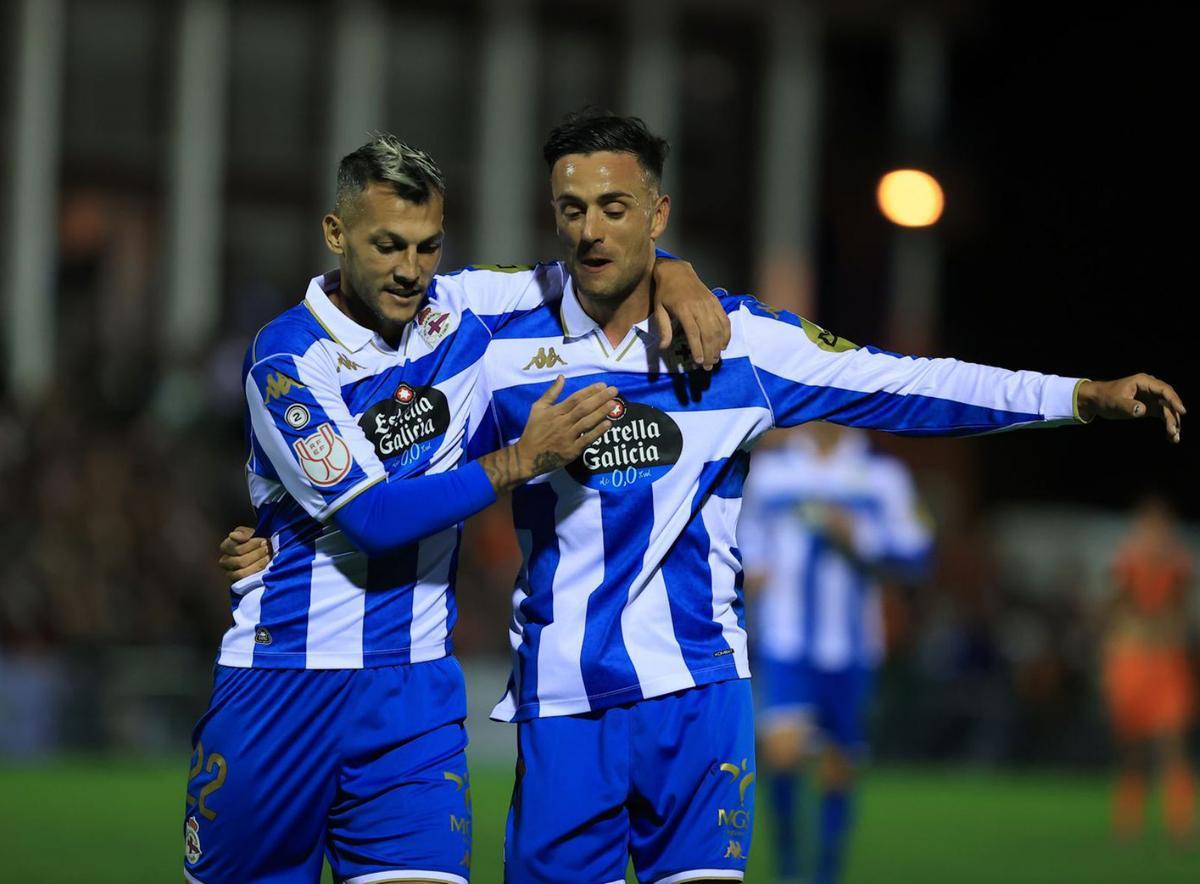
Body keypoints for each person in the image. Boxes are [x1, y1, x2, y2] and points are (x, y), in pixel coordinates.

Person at [224, 110, 1184, 882]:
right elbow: (357, 348)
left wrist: (1076, 399)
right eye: (570, 210)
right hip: (564, 712)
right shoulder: (485, 325)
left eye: (614, 207)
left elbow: (910, 384)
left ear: (658, 212)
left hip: (700, 699)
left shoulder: (742, 346)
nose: (590, 230)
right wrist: (280, 529)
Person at [186, 133, 729, 884]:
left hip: (414, 699)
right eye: (388, 246)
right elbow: (373, 521)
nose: (411, 270)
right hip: (283, 687)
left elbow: (595, 269)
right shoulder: (288, 361)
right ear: (335, 233)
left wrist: (677, 274)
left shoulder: (461, 308)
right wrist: (517, 460)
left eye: (428, 246)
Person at [739, 422, 933, 884]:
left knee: (838, 767)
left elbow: (919, 555)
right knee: (781, 754)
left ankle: (825, 873)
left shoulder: (882, 474)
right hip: (787, 642)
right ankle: (788, 870)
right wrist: (751, 572)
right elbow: (742, 539)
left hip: (853, 646)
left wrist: (860, 537)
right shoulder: (772, 470)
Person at [1102, 495, 1196, 843]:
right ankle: (1129, 822)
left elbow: (1182, 611)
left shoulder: (1178, 565)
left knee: (1172, 741)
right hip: (1131, 661)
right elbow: (1113, 608)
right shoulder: (1127, 563)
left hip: (1166, 661)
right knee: (1133, 747)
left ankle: (1180, 823)